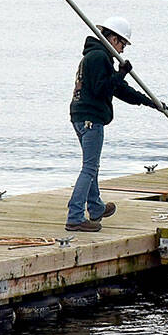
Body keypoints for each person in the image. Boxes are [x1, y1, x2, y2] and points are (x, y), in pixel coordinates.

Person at [66, 16, 158, 231]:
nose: (123, 50)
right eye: (123, 44)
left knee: (92, 166)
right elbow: (104, 89)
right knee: (89, 168)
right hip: (90, 119)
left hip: (82, 116)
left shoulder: (96, 56)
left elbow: (119, 89)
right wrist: (122, 72)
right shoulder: (99, 57)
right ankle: (75, 216)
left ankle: (96, 207)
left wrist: (149, 102)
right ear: (114, 39)